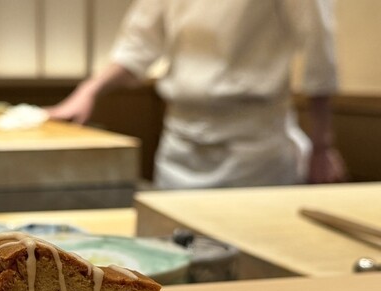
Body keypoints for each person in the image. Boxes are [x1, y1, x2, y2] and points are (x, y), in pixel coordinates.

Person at [48, 0, 345, 189]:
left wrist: (321, 144)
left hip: (253, 148)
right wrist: (88, 91)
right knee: (174, 249)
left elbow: (319, 48)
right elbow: (137, 46)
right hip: (179, 143)